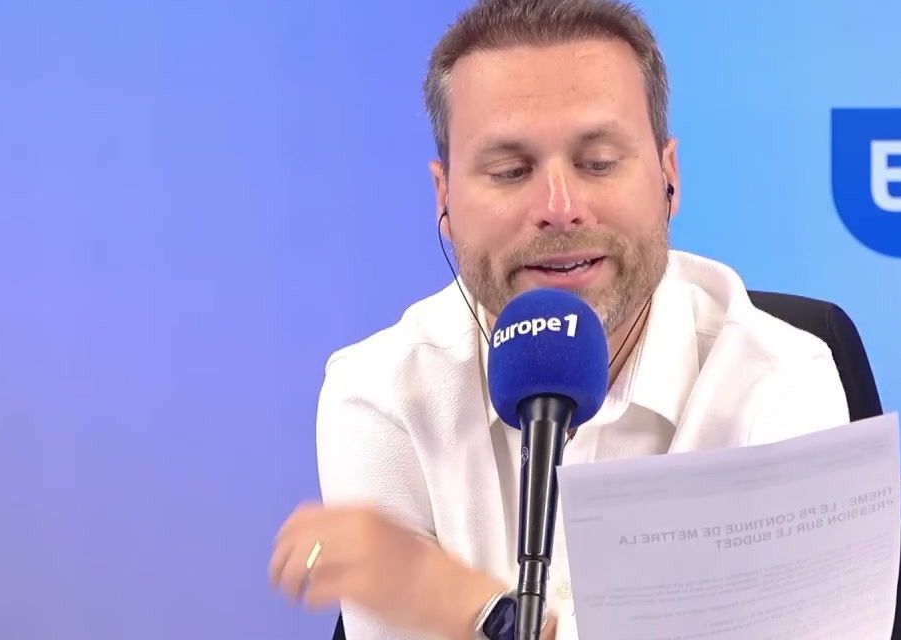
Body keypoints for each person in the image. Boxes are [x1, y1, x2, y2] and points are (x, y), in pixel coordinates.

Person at [268, 1, 858, 638]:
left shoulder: (780, 379)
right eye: (510, 171)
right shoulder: (382, 393)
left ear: (669, 177)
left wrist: (466, 605)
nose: (559, 206)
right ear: (444, 198)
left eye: (598, 162)